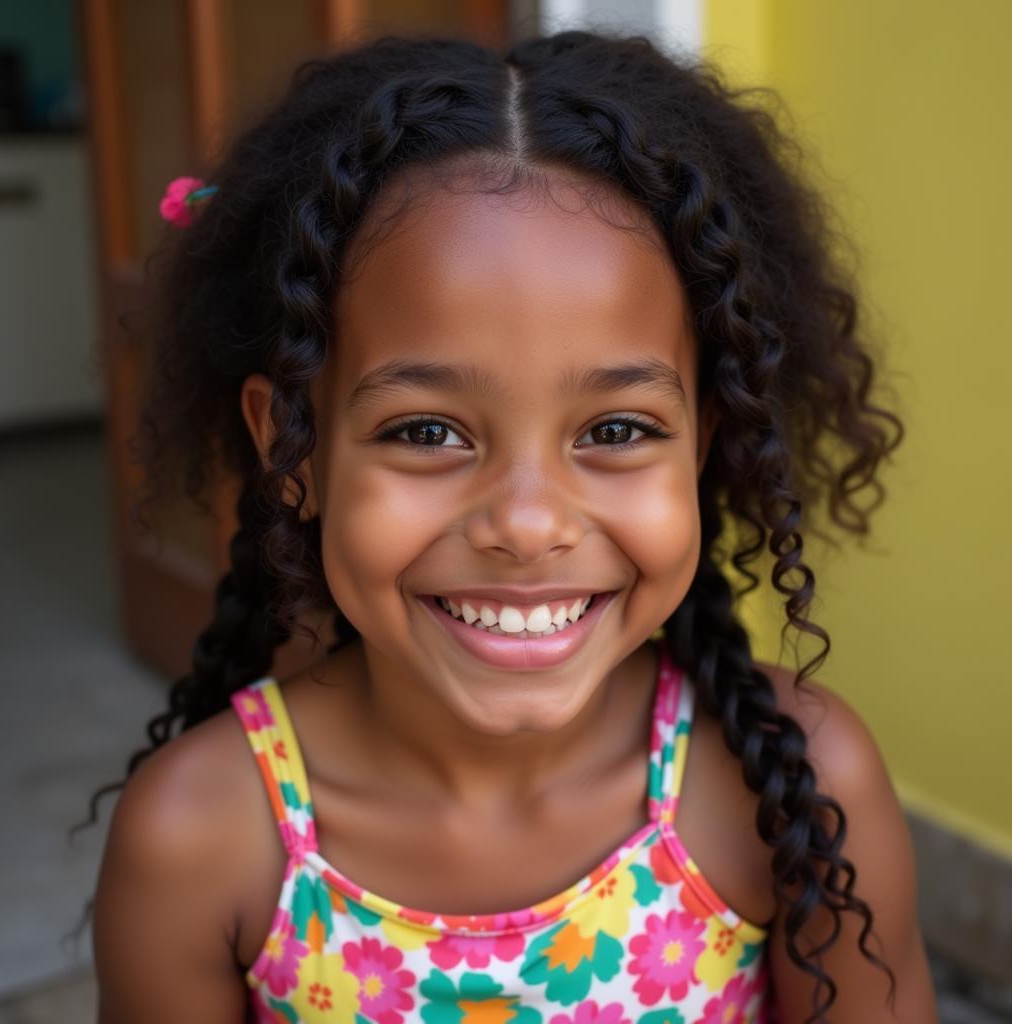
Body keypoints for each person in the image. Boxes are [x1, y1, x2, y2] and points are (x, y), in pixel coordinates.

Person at [79, 29, 938, 1023]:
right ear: (295, 453)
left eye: (616, 429)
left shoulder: (790, 789)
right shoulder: (203, 838)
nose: (527, 525)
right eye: (428, 430)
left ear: (705, 441)